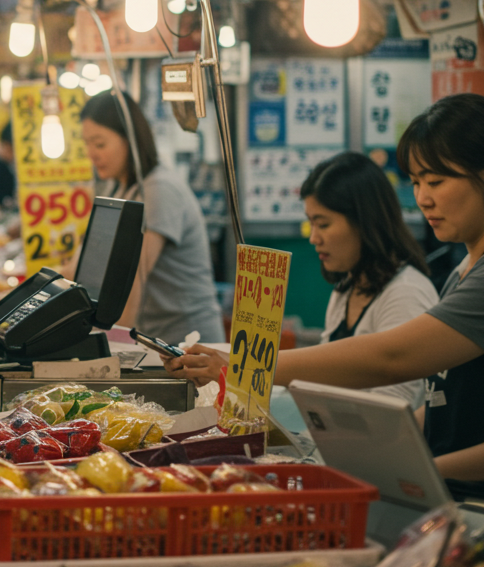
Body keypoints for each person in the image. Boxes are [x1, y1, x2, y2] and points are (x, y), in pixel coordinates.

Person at [168, 94, 484, 499]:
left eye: (436, 181)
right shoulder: (462, 273)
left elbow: (391, 360)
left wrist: (245, 366)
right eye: (417, 182)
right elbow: (440, 408)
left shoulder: (417, 290)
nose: (423, 198)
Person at [167, 152, 437, 407]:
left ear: (364, 221)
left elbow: (397, 408)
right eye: (311, 224)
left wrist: (239, 368)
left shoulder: (406, 293)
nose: (314, 238)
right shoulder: (347, 288)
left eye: (324, 224)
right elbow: (323, 382)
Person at [80, 92, 225, 345]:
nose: (91, 154)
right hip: (152, 338)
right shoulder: (122, 189)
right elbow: (83, 264)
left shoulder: (158, 190)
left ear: (131, 140)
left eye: (100, 144)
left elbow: (134, 276)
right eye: (87, 144)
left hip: (187, 343)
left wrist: (111, 346)